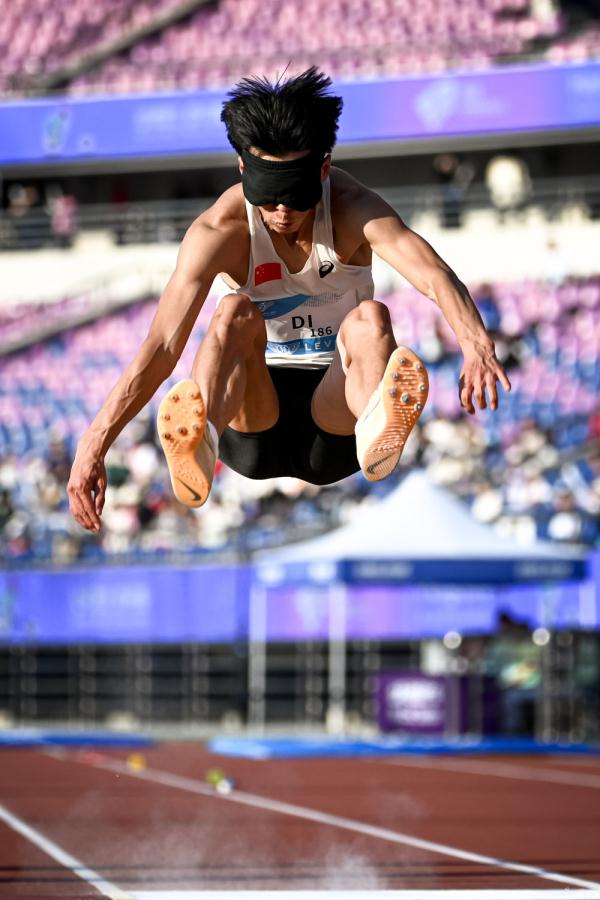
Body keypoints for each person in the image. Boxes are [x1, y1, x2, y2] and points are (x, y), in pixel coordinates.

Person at [68, 68, 511, 533]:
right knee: (232, 313)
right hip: (254, 423)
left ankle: (377, 426)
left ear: (323, 169)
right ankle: (201, 442)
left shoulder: (352, 208)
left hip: (335, 425)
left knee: (370, 319)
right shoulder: (220, 231)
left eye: (296, 198)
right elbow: (162, 344)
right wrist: (95, 443)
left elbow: (433, 275)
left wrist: (476, 344)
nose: (281, 212)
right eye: (268, 197)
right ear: (243, 169)